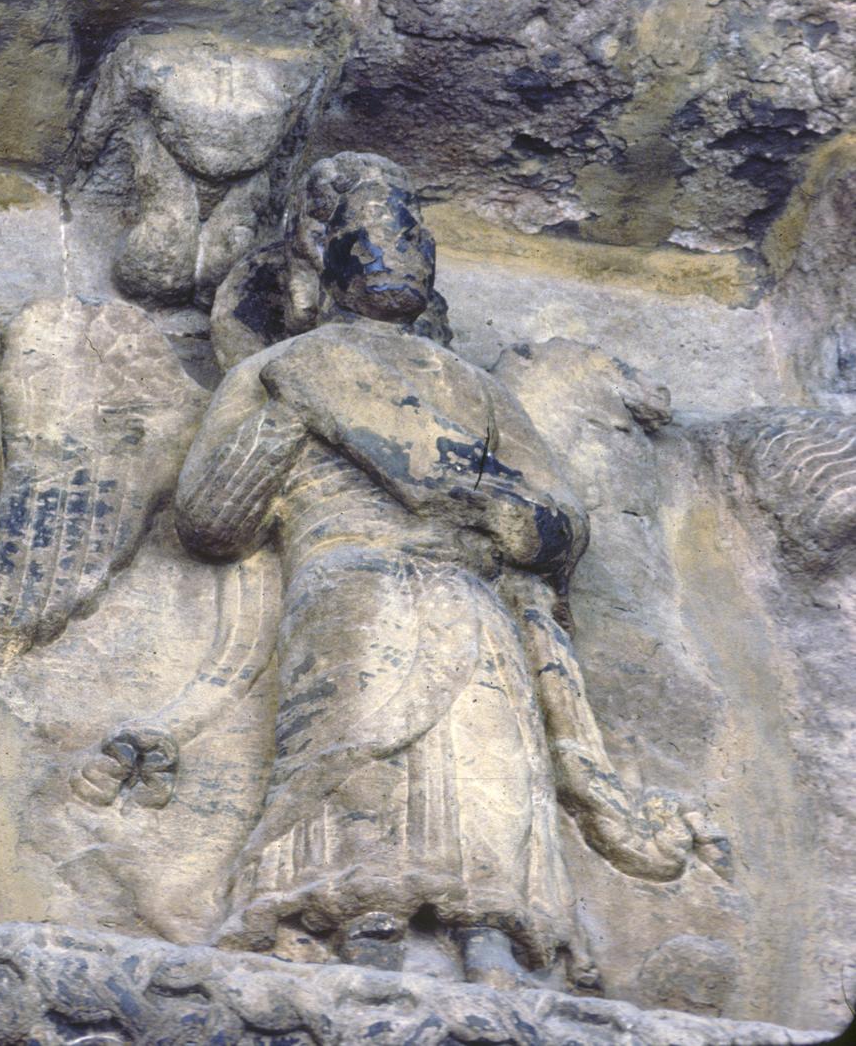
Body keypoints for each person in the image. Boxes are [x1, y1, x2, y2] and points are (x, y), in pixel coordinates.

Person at [81, 156, 724, 986]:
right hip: (349, 584)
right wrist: (287, 418)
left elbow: (561, 521)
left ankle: (492, 935)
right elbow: (208, 522)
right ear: (323, 260)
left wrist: (492, 507)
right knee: (355, 742)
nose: (400, 250)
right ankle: (356, 922)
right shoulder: (282, 371)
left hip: (470, 593)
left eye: (413, 234)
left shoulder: (473, 387)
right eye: (371, 233)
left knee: (486, 757)